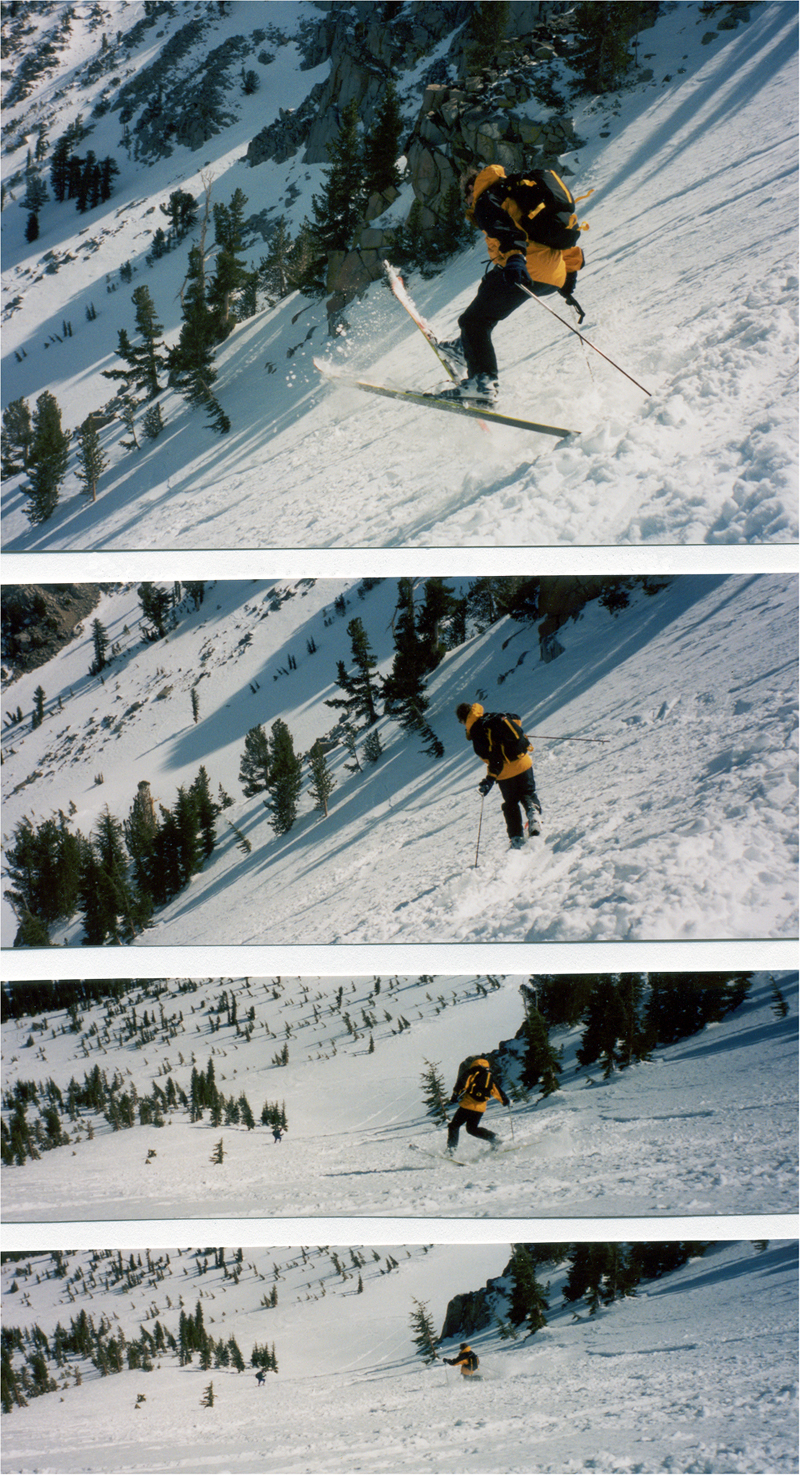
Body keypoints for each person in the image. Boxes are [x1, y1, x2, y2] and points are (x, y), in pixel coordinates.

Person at [436, 163, 585, 405]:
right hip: (552, 274)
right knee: (490, 290)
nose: (468, 203)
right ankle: (464, 347)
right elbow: (564, 236)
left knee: (474, 321)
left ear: (472, 186)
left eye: (467, 197)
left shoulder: (488, 197)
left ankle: (482, 384)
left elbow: (506, 230)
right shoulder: (520, 194)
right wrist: (568, 278)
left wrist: (516, 256)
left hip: (527, 265)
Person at [456, 700, 542, 848]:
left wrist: (489, 779)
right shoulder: (493, 717)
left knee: (510, 804)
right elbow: (517, 720)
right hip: (523, 763)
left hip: (503, 774)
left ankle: (516, 838)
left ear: (463, 720)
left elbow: (493, 761)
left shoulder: (476, 734)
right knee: (527, 793)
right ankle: (533, 813)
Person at [447, 1055, 510, 1153]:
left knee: (454, 1126)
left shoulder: (472, 1072)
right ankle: (494, 1138)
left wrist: (455, 1096)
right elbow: (497, 1091)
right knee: (472, 1129)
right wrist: (505, 1101)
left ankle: (450, 1150)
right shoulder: (489, 1076)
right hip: (480, 1108)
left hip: (467, 1105)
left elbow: (462, 1084)